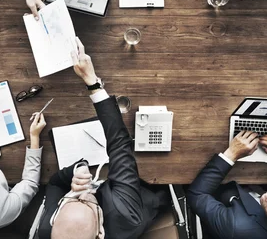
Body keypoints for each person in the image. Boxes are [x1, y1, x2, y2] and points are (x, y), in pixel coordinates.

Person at [37, 37, 169, 239]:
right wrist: (92, 83)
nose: (82, 194)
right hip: (139, 195)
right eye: (87, 202)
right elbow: (119, 144)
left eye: (71, 200)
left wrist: (76, 170)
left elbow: (54, 184)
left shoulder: (49, 229)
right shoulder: (123, 214)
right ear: (100, 231)